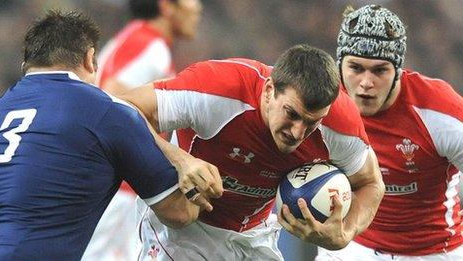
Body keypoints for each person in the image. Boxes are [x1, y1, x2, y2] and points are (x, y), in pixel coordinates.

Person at [119, 43, 385, 260]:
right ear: (269, 90)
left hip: (255, 235)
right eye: (291, 114)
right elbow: (122, 110)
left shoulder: (340, 125)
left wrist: (345, 233)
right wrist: (179, 160)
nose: (297, 133)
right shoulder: (220, 90)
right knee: (180, 215)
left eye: (311, 123)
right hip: (184, 232)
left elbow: (371, 183)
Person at [0, 10, 219, 261]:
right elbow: (180, 212)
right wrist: (188, 161)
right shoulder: (105, 109)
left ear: (26, 64)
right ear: (90, 59)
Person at [317, 4, 463, 260]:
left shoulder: (440, 112)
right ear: (339, 66)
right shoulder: (320, 102)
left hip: (433, 250)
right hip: (352, 244)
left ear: (398, 70)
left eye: (379, 70)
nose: (366, 82)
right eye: (356, 68)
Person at [83, 0, 203, 259]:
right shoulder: (151, 46)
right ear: (166, 6)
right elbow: (112, 101)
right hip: (120, 188)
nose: (197, 7)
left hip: (111, 183)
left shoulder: (135, 39)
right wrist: (173, 156)